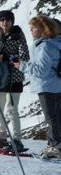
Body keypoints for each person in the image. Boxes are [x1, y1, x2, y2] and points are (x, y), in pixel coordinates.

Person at [13, 15, 61, 160]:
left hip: (46, 86)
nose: (31, 31)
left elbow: (41, 71)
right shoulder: (56, 42)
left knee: (51, 118)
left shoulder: (44, 46)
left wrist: (21, 65)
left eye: (34, 28)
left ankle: (55, 147)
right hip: (57, 85)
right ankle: (56, 145)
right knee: (57, 116)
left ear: (43, 29)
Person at [0, 10, 29, 152]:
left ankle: (17, 140)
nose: (5, 22)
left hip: (14, 78)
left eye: (8, 20)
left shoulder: (18, 36)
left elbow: (24, 57)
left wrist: (4, 59)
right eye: (2, 20)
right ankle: (2, 136)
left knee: (12, 110)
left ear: (12, 21)